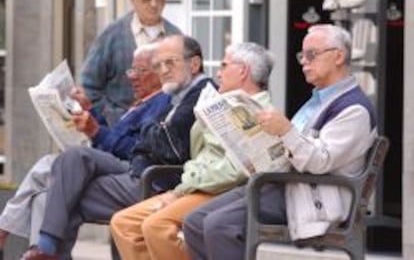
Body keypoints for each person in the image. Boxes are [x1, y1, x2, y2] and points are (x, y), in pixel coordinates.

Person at [182, 24, 378, 260]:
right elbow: (295, 147)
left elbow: (320, 161)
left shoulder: (354, 109)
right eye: (302, 55)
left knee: (219, 225)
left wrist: (285, 130)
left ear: (338, 56)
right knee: (194, 222)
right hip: (284, 183)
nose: (304, 61)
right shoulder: (319, 100)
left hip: (312, 196)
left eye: (311, 55)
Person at [20, 35, 213, 260]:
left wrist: (105, 131)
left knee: (67, 177)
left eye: (169, 63)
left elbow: (165, 145)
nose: (163, 71)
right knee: (62, 188)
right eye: (159, 65)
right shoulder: (172, 96)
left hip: (154, 178)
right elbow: (144, 138)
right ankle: (45, 248)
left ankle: (39, 245)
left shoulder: (190, 95)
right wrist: (93, 116)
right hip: (137, 169)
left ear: (194, 64)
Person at [109, 42, 286, 260]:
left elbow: (234, 171)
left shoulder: (258, 114)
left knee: (157, 226)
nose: (218, 73)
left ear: (242, 71)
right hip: (198, 185)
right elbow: (201, 154)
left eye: (224, 65)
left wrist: (181, 190)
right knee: (124, 223)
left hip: (220, 191)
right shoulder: (225, 105)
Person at [0, 43, 170, 252]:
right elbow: (115, 136)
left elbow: (138, 148)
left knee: (59, 163)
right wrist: (91, 111)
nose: (132, 76)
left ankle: (7, 228)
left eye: (141, 70)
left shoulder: (163, 102)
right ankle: (42, 250)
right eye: (131, 70)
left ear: (160, 72)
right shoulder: (140, 103)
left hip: (133, 168)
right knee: (45, 195)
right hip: (112, 163)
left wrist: (96, 131)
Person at [81, 0, 181, 125]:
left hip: (162, 132)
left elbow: (185, 86)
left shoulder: (176, 38)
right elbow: (88, 86)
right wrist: (113, 117)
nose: (153, 4)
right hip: (117, 132)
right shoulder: (111, 36)